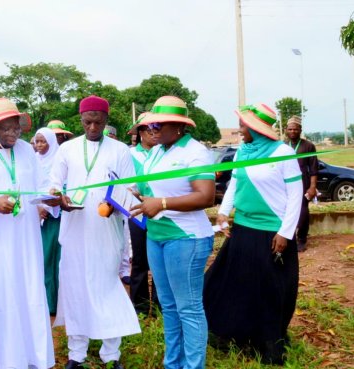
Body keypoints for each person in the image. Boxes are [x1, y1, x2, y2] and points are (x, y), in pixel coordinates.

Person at [0, 98, 60, 369]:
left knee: (30, 294)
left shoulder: (28, 152)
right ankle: (2, 361)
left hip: (27, 240)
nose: (13, 133)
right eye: (6, 128)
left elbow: (41, 187)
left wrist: (51, 198)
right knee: (0, 297)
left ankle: (33, 359)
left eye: (16, 127)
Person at [204, 103, 302, 364]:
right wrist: (224, 212)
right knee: (237, 284)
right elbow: (235, 183)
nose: (239, 130)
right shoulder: (242, 152)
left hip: (272, 232)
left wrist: (285, 233)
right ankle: (239, 334)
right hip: (244, 229)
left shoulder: (282, 152)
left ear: (256, 129)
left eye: (243, 125)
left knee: (270, 291)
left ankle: (269, 342)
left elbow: (295, 196)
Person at [50, 96, 140, 369]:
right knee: (75, 287)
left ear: (106, 120)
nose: (92, 127)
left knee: (107, 287)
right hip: (75, 227)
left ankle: (111, 355)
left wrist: (114, 204)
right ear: (80, 120)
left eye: (98, 122)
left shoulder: (120, 150)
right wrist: (59, 198)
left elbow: (131, 188)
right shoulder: (67, 150)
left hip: (106, 229)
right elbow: (53, 184)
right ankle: (76, 354)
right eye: (87, 122)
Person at [131, 96, 216, 369]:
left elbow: (206, 196)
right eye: (150, 124)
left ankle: (193, 365)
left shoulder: (195, 152)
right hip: (157, 236)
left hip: (186, 239)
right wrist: (138, 194)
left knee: (188, 308)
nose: (152, 129)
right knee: (168, 306)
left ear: (179, 127)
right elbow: (154, 190)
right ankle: (173, 363)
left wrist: (162, 203)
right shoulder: (157, 151)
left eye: (159, 124)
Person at [127, 114, 159, 316]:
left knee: (159, 260)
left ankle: (159, 305)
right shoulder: (131, 155)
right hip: (138, 212)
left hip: (160, 212)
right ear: (140, 133)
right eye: (150, 130)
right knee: (140, 261)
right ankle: (139, 308)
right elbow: (125, 183)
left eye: (157, 129)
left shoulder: (162, 154)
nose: (154, 133)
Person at [34, 127, 62, 316]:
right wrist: (36, 207)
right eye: (36, 141)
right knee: (40, 260)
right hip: (36, 217)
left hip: (54, 217)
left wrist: (46, 207)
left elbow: (59, 186)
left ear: (51, 142)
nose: (39, 145)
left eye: (43, 141)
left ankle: (55, 304)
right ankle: (43, 302)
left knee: (54, 259)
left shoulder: (59, 160)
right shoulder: (33, 161)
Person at [285, 115, 318, 252]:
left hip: (303, 181)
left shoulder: (308, 145)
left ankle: (302, 239)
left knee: (303, 211)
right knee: (285, 210)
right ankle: (288, 237)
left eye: (295, 129)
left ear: (300, 130)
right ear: (286, 130)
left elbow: (314, 168)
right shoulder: (282, 145)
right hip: (285, 182)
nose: (293, 131)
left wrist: (312, 186)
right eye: (290, 129)